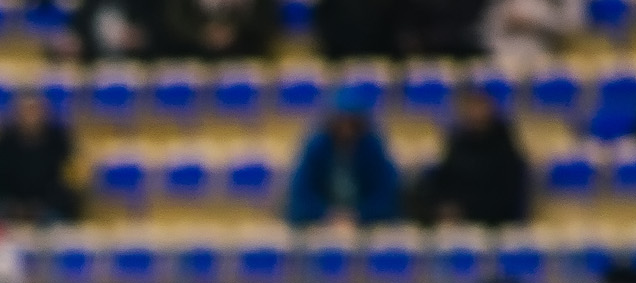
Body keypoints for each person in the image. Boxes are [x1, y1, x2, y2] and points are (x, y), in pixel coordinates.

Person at [415, 87, 529, 226]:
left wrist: (465, 211)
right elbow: (445, 181)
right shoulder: (458, 144)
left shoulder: (506, 152)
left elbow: (506, 197)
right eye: (471, 107)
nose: (475, 113)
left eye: (480, 107)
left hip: (493, 223)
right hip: (455, 220)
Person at [288, 91, 402, 227]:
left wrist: (359, 215)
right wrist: (326, 215)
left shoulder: (373, 148)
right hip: (321, 226)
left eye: (352, 122)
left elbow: (386, 195)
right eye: (341, 121)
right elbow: (301, 195)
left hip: (366, 226)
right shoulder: (317, 147)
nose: (346, 129)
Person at [0, 93, 80, 224]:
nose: (30, 116)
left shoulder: (59, 141)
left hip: (48, 208)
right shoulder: (3, 142)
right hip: (11, 207)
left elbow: (67, 181)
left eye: (34, 110)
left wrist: (42, 206)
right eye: (25, 111)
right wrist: (12, 205)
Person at [158, 0, 278, 59]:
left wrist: (240, 19)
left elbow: (267, 25)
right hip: (192, 57)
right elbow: (173, 21)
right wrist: (201, 34)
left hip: (246, 57)